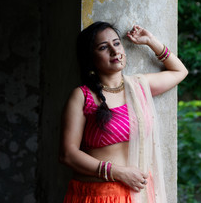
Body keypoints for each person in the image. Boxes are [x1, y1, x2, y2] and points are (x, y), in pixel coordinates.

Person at [60, 21, 188, 203]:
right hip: (98, 194)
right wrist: (118, 172)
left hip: (139, 194)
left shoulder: (139, 86)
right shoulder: (83, 96)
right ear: (90, 58)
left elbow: (180, 71)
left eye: (117, 43)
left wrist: (151, 41)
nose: (114, 51)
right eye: (104, 47)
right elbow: (67, 154)